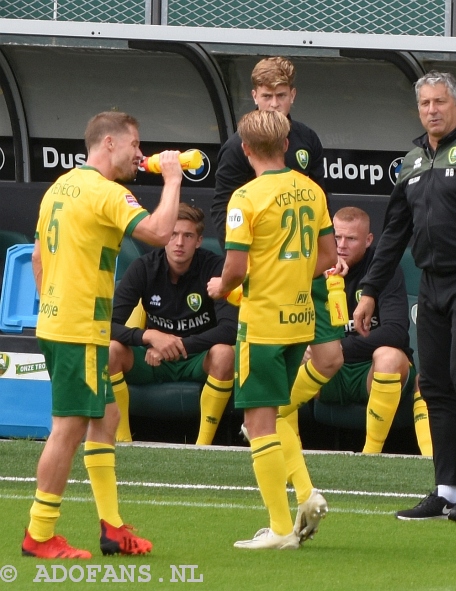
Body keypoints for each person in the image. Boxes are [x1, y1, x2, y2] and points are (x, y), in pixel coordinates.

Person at [352, 71, 456, 523]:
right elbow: (392, 236)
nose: (432, 110)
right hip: (433, 282)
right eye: (425, 103)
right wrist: (369, 291)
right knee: (432, 384)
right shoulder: (411, 162)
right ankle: (446, 489)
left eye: (440, 102)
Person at [24, 111, 183, 559]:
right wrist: (172, 179)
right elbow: (156, 231)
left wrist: (53, 306)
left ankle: (112, 528)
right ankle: (39, 534)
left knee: (106, 417)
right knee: (67, 431)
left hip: (59, 322)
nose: (141, 154)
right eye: (135, 144)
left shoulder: (60, 186)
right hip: (79, 329)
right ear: (109, 143)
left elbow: (38, 256)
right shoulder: (106, 191)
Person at [207, 109, 337, 550]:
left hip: (261, 322)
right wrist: (293, 277)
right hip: (300, 319)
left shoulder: (243, 199)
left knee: (258, 423)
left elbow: (236, 268)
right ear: (285, 145)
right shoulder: (312, 190)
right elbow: (327, 256)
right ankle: (304, 494)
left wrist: (220, 287)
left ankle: (281, 529)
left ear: (245, 150)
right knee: (275, 415)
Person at [212, 56, 343, 437]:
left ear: (293, 96)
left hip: (305, 266)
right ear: (254, 95)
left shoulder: (308, 140)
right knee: (273, 361)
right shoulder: (240, 144)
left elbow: (322, 200)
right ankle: (266, 422)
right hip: (265, 273)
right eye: (266, 96)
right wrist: (240, 260)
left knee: (330, 358)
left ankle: (273, 417)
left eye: (280, 96)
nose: (273, 103)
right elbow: (223, 207)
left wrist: (328, 253)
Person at [280, 206, 415, 453]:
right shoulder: (312, 265)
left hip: (368, 371)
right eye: (336, 237)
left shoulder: (384, 268)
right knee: (287, 352)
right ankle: (292, 452)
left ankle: (370, 455)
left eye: (351, 239)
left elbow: (396, 332)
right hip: (328, 373)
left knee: (390, 356)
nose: (341, 245)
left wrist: (337, 347)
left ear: (368, 240)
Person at [110, 203, 237, 445]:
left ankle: (203, 447)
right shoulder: (143, 268)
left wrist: (177, 345)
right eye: (173, 234)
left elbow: (230, 329)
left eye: (187, 236)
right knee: (112, 351)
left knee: (224, 354)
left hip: (196, 355)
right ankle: (123, 441)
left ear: (199, 241)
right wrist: (149, 337)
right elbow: (107, 326)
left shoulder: (215, 267)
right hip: (152, 357)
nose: (179, 242)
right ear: (164, 237)